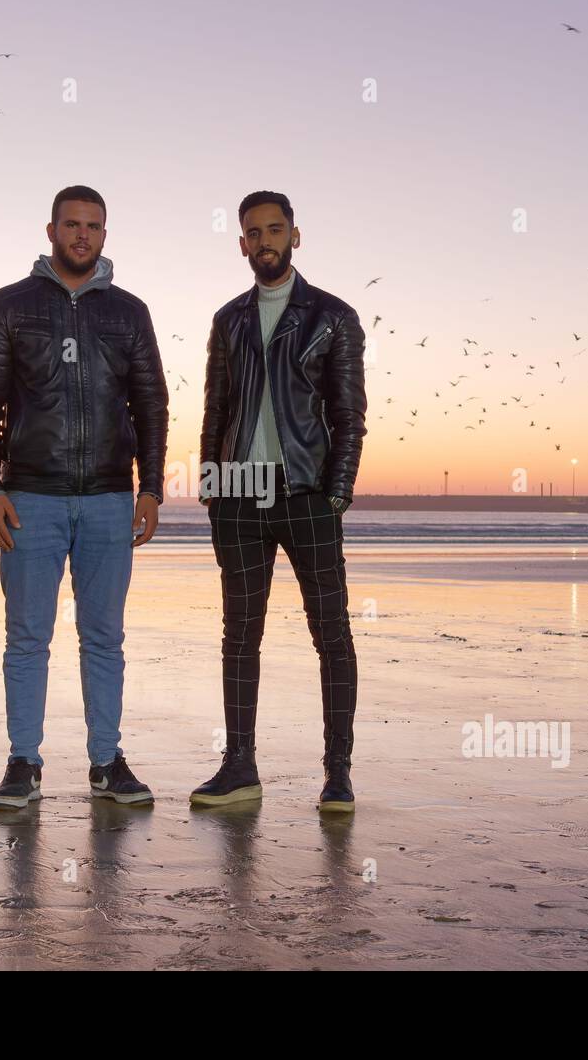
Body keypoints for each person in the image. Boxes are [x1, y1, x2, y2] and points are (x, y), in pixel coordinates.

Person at [0, 185, 167, 808]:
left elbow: (152, 403)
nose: (83, 235)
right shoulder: (9, 305)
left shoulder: (129, 312)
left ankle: (106, 763)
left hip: (109, 497)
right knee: (27, 637)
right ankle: (23, 763)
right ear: (50, 229)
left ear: (105, 236)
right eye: (72, 225)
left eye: (94, 226)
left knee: (104, 637)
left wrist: (152, 488)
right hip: (31, 497)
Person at [191, 190, 367, 813]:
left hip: (308, 493)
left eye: (274, 230)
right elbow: (215, 411)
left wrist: (336, 494)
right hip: (240, 495)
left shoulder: (332, 318)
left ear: (295, 235)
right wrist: (213, 488)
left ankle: (338, 774)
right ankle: (240, 768)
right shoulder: (228, 320)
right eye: (252, 233)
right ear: (241, 243)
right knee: (239, 636)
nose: (264, 241)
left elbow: (350, 417)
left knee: (331, 635)